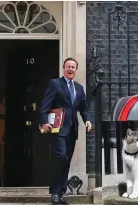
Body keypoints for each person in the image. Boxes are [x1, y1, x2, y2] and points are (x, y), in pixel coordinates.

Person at [39, 57, 92, 205]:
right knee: (60, 157)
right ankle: (54, 193)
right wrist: (44, 122)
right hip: (58, 129)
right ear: (64, 68)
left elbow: (84, 108)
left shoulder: (79, 88)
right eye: (68, 66)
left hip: (72, 130)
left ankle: (61, 194)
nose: (70, 69)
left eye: (73, 67)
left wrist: (87, 120)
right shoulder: (55, 84)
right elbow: (45, 105)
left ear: (76, 70)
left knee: (66, 161)